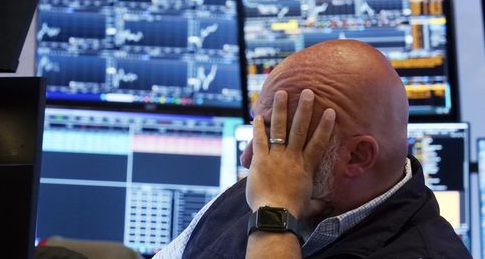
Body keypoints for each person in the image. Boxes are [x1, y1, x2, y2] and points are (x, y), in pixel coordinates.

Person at [154, 39, 471, 258]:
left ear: (356, 156)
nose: (251, 159)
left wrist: (274, 218)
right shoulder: (259, 190)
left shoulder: (426, 252)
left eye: (283, 140)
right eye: (259, 130)